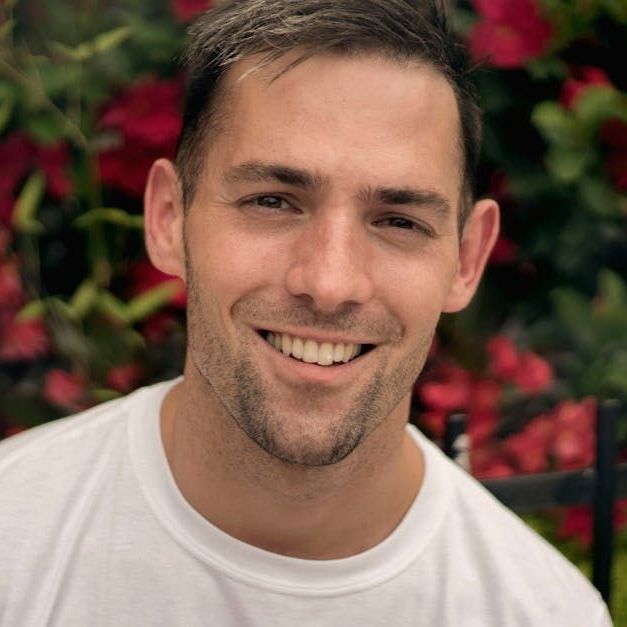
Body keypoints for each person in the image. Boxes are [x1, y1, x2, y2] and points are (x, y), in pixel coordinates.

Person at [0, 1, 612, 625]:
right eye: (273, 201)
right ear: (169, 220)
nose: (329, 283)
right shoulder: (12, 546)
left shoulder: (543, 613)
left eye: (399, 221)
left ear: (466, 259)